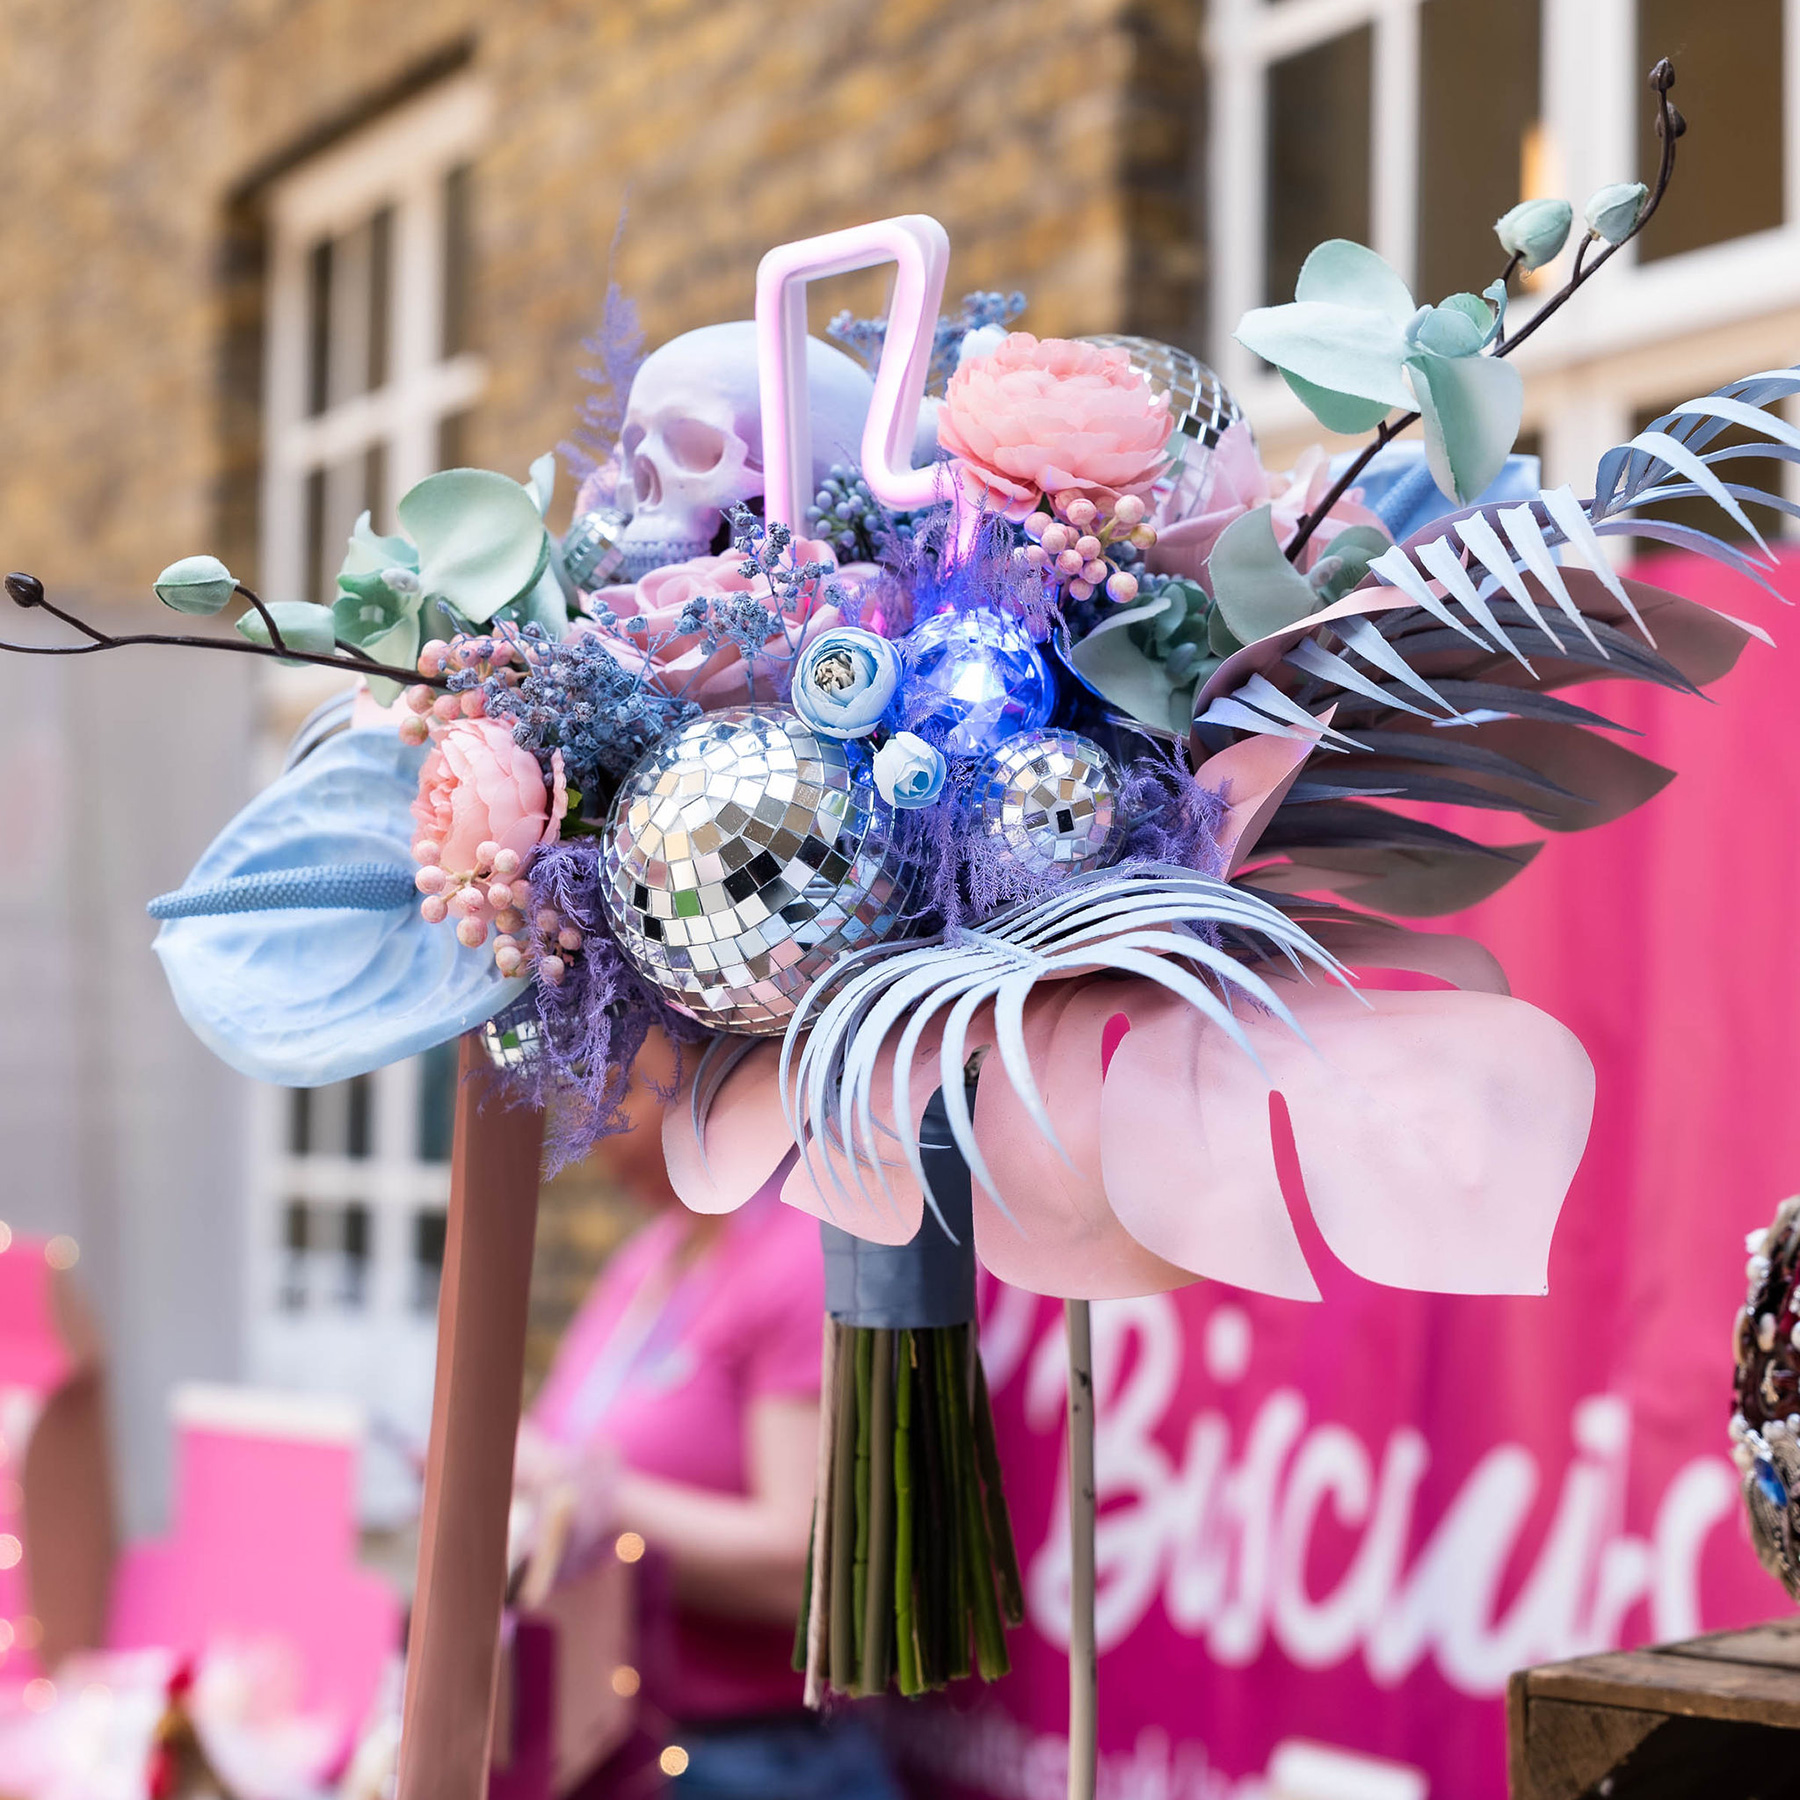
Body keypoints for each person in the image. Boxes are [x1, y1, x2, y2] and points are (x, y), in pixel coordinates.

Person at [515, 1031, 901, 1800]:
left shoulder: (808, 1253)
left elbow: (808, 1570)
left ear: (719, 1079)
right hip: (626, 1745)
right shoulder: (651, 1258)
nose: (593, 1122)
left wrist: (576, 1493)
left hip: (762, 1762)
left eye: (624, 1087)